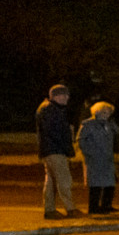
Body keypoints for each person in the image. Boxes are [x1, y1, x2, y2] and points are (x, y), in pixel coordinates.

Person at [37, 84, 77, 219]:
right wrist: (67, 148)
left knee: (51, 181)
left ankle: (49, 210)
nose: (67, 98)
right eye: (64, 95)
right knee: (64, 179)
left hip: (49, 149)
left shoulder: (48, 108)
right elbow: (55, 132)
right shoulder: (51, 110)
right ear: (55, 96)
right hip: (55, 150)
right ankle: (70, 208)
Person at [77, 101, 119, 215]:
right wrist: (90, 153)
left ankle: (106, 205)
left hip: (107, 158)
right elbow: (81, 141)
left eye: (108, 112)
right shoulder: (88, 124)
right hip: (95, 159)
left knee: (110, 184)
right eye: (104, 112)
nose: (106, 115)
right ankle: (93, 207)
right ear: (97, 112)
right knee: (95, 185)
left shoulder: (108, 124)